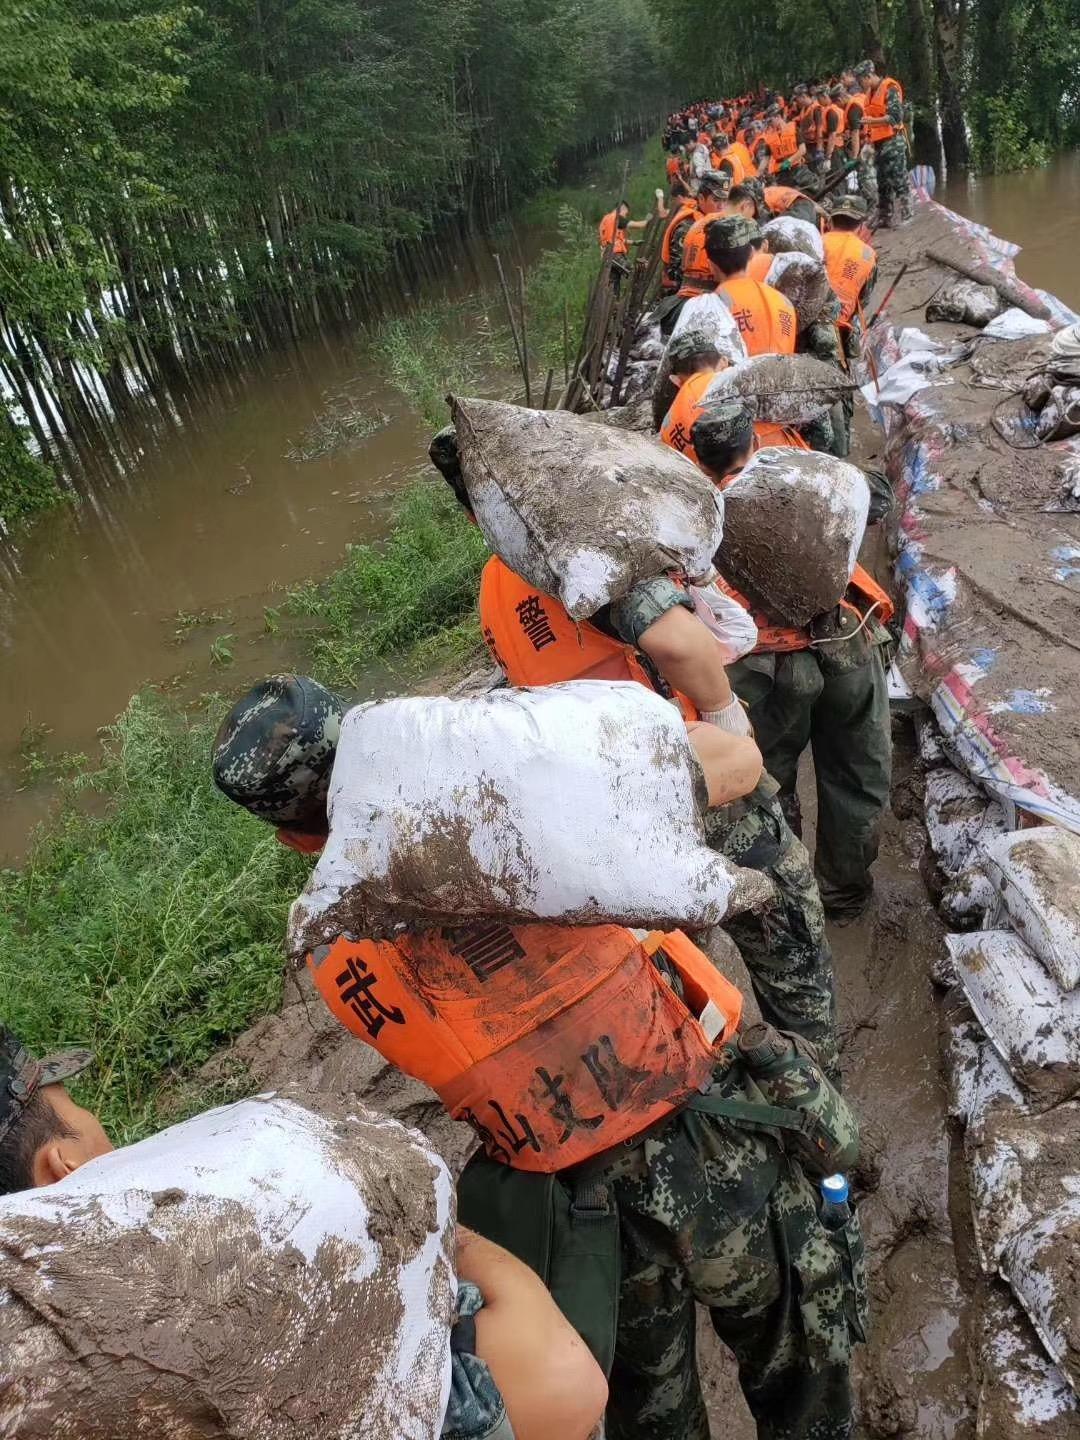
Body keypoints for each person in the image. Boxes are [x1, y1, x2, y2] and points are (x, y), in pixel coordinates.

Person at [213, 677, 865, 1440]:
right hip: (716, 1135)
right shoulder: (520, 813)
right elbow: (735, 762)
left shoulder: (331, 957)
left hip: (574, 1211)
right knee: (802, 1369)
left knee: (649, 1413)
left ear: (292, 839)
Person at [432, 423, 841, 1081]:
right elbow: (677, 641)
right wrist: (724, 711)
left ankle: (718, 1085)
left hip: (614, 813)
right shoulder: (578, 550)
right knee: (786, 932)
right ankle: (812, 1088)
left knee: (678, 962)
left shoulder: (493, 587)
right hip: (694, 782)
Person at [0, 1025, 607, 1440]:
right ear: (62, 1167)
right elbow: (565, 1381)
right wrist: (441, 1232)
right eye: (77, 1106)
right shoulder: (247, 1236)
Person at [691, 400, 895, 922]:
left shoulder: (700, 516)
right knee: (857, 773)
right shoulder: (795, 477)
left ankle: (788, 896)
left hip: (762, 668)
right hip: (844, 641)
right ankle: (843, 894)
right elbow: (877, 496)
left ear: (701, 463)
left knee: (768, 780)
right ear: (755, 442)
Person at [705, 215, 798, 357]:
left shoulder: (712, 305)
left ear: (711, 265)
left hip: (739, 371)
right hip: (784, 370)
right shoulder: (784, 302)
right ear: (751, 255)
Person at [853, 59, 912, 226]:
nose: (860, 85)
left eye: (861, 81)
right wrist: (867, 143)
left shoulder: (890, 88)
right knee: (882, 182)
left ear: (868, 76)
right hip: (878, 144)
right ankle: (885, 216)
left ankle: (907, 214)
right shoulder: (869, 95)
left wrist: (872, 121)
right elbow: (870, 123)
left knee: (899, 178)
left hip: (893, 142)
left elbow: (895, 118)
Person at [824, 194, 878, 365]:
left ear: (830, 221)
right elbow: (863, 300)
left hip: (802, 322)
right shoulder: (868, 255)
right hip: (838, 328)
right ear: (861, 226)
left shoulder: (816, 241)